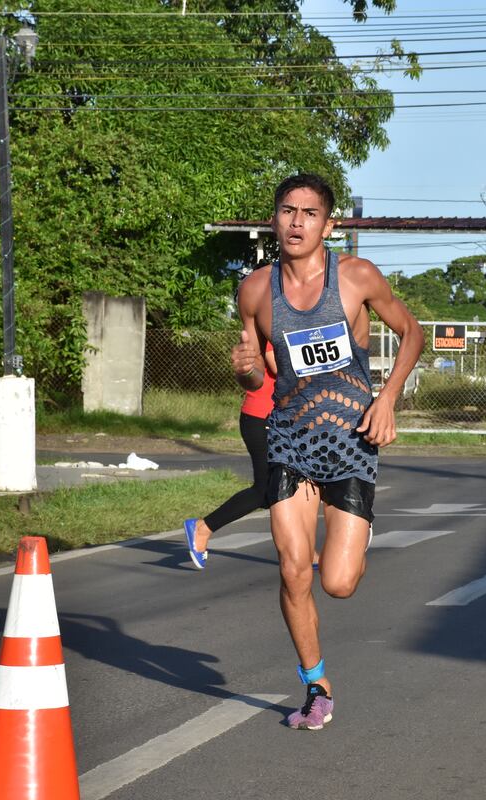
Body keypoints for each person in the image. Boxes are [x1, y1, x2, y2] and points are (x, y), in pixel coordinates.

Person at [232, 173, 424, 731]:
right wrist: (246, 374)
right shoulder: (253, 291)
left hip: (352, 441)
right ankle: (316, 685)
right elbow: (253, 375)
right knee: (294, 569)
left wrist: (387, 398)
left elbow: (411, 332)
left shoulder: (356, 278)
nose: (296, 222)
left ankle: (358, 534)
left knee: (338, 583)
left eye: (309, 213)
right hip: (289, 438)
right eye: (287, 211)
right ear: (274, 218)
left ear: (328, 224)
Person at [183, 342, 277, 570]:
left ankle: (303, 553)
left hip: (283, 418)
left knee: (288, 491)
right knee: (265, 491)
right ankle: (203, 527)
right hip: (263, 417)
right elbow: (282, 368)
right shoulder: (274, 320)